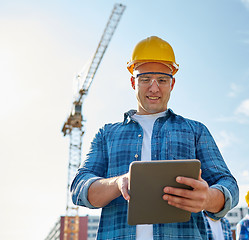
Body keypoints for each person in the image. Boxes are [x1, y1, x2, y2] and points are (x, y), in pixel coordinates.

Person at [70, 36, 239, 240]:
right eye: (145, 79)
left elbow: (229, 184)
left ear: (172, 84)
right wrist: (118, 183)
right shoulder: (107, 134)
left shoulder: (196, 131)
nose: (154, 88)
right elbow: (80, 187)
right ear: (133, 82)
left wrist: (209, 198)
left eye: (162, 80)